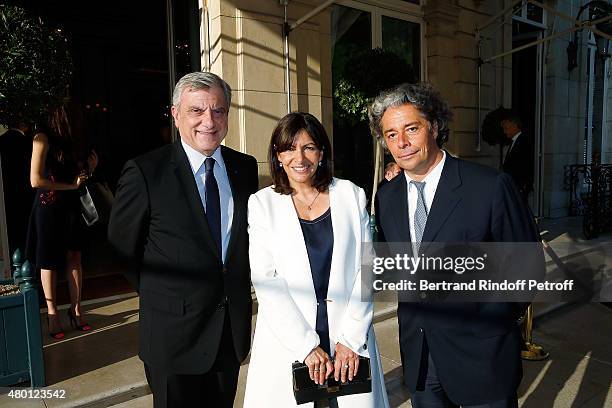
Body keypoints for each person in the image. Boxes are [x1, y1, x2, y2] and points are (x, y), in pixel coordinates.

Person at [370, 83, 540, 408]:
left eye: (411, 129)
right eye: (391, 134)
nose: (402, 142)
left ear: (434, 127)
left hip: (483, 357)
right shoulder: (387, 196)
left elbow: (527, 270)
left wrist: (489, 319)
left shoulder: (489, 187)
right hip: (420, 357)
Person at [108, 72, 258, 408]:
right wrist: (165, 293)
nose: (209, 121)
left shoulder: (244, 168)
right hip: (172, 336)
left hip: (227, 334)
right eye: (197, 111)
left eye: (218, 111)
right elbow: (122, 249)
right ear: (175, 114)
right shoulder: (146, 171)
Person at [244, 112, 389, 408]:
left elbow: (367, 269)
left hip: (348, 336)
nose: (300, 157)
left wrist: (351, 338)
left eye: (309, 147)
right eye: (289, 148)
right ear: (278, 155)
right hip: (289, 339)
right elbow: (266, 281)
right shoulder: (262, 204)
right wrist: (306, 346)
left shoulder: (350, 195)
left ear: (322, 153)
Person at [26, 104, 97, 339]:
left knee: (75, 256)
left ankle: (76, 310)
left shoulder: (72, 141)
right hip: (48, 207)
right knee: (49, 261)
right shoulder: (41, 138)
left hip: (70, 206)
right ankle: (52, 314)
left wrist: (89, 170)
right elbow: (35, 180)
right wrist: (71, 186)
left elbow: (75, 175)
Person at [0, 121, 34, 258]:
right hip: (26, 196)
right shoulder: (29, 143)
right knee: (26, 238)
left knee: (10, 238)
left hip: (5, 196)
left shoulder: (1, 141)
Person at [501, 112, 534, 204]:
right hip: (513, 185)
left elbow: (526, 165)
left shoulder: (524, 141)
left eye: (506, 128)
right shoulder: (515, 141)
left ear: (514, 126)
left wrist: (523, 186)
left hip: (518, 186)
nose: (504, 131)